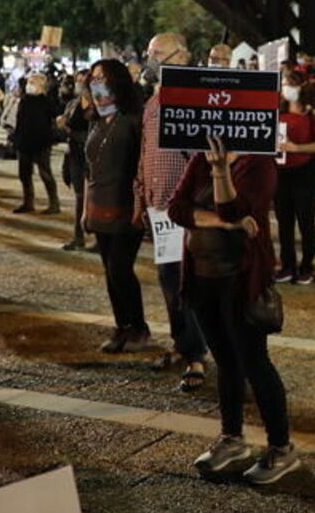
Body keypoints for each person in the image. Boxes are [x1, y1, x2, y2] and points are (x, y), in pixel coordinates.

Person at [168, 133, 298, 485]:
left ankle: (282, 447)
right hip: (202, 277)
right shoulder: (201, 157)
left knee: (255, 363)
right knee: (225, 361)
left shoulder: (259, 161)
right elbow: (177, 208)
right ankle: (232, 438)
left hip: (241, 280)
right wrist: (223, 223)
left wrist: (222, 173)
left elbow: (239, 212)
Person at [134, 33, 210, 385]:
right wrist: (141, 198)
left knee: (188, 283)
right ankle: (182, 342)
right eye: (150, 54)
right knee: (168, 281)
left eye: (159, 53)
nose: (152, 60)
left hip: (185, 207)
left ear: (182, 56)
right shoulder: (153, 102)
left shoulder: (197, 99)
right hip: (158, 207)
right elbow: (145, 153)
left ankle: (197, 355)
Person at [85, 59, 150, 351]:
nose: (98, 82)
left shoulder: (135, 118)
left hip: (127, 205)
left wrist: (142, 205)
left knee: (120, 268)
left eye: (103, 77)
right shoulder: (97, 119)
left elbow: (143, 164)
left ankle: (138, 327)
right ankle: (121, 325)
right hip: (99, 203)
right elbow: (90, 167)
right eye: (94, 77)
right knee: (109, 271)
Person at [276, 70, 315, 284]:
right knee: (284, 222)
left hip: (305, 173)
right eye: (284, 83)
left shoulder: (312, 114)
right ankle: (287, 265)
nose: (286, 87)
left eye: (290, 83)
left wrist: (296, 148)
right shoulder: (277, 111)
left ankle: (307, 266)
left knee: (305, 222)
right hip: (280, 173)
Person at [13, 73, 62, 215]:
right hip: (24, 142)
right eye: (29, 81)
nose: (30, 84)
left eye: (33, 82)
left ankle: (54, 203)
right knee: (24, 174)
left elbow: (54, 120)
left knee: (45, 173)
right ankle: (28, 202)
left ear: (42, 85)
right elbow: (19, 121)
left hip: (41, 143)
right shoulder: (24, 100)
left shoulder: (47, 101)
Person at [60, 69, 94, 251]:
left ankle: (93, 235)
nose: (80, 85)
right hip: (74, 154)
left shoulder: (97, 106)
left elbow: (92, 135)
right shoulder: (73, 103)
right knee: (79, 197)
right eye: (77, 81)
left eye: (83, 81)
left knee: (91, 197)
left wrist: (68, 129)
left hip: (90, 157)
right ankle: (78, 236)